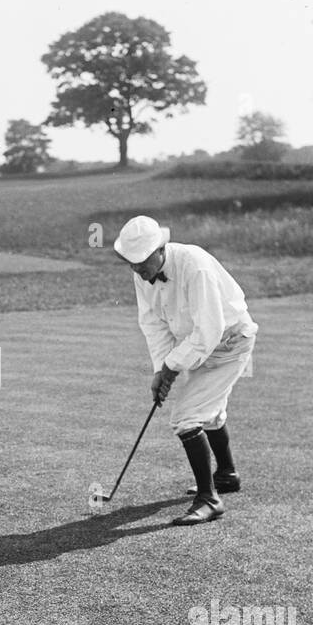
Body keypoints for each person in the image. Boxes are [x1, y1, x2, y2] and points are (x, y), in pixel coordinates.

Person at [113, 216, 257, 526]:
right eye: (131, 263)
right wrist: (160, 370)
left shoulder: (195, 264)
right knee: (210, 412)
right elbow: (153, 323)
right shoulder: (142, 273)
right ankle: (227, 475)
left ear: (161, 248)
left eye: (141, 262)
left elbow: (209, 330)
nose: (137, 269)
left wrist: (172, 366)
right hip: (200, 343)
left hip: (230, 342)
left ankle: (209, 499)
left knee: (186, 417)